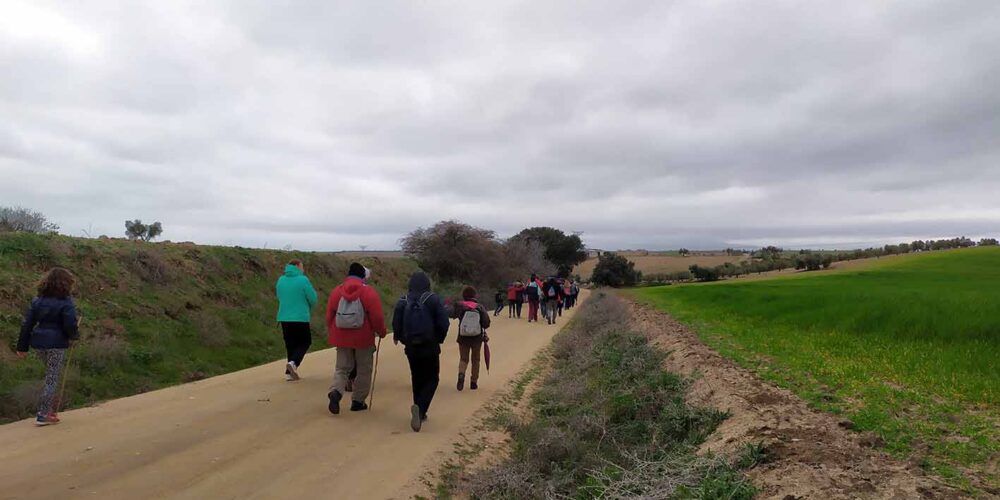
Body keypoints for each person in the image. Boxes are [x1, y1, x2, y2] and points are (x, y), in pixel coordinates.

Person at [16, 267, 80, 426]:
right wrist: (74, 336)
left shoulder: (37, 301)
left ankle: (47, 411)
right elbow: (70, 324)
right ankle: (43, 414)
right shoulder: (66, 302)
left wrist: (22, 347)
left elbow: (27, 325)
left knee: (51, 375)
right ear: (66, 284)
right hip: (56, 344)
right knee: (52, 377)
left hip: (39, 344)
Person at [325, 262, 387, 414]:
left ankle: (336, 392)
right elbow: (377, 317)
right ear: (362, 276)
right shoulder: (369, 292)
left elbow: (329, 316)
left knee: (341, 368)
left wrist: (332, 331)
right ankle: (358, 401)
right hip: (363, 338)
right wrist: (381, 331)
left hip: (341, 337)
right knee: (364, 369)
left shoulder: (336, 291)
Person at [392, 271, 450, 432]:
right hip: (429, 346)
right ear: (427, 284)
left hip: (411, 346)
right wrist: (438, 338)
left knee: (416, 377)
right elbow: (444, 323)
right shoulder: (432, 299)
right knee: (432, 378)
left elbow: (396, 323)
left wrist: (399, 337)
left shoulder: (403, 300)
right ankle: (420, 408)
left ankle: (419, 409)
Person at [275, 259, 318, 381]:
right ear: (298, 266)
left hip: (284, 317)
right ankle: (294, 363)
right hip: (300, 317)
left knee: (290, 344)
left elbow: (279, 295)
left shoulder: (281, 280)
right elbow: (313, 298)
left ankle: (289, 373)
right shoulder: (303, 280)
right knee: (305, 341)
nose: (303, 269)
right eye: (302, 267)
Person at [451, 286, 490, 391]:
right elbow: (486, 323)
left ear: (464, 295)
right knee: (476, 360)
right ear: (474, 295)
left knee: (463, 359)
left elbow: (452, 315)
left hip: (463, 337)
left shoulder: (460, 305)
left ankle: (461, 375)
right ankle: (473, 382)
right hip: (477, 338)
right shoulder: (480, 307)